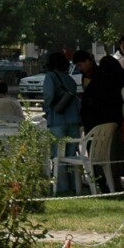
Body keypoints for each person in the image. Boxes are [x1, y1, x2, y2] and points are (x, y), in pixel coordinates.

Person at [72, 49, 124, 190]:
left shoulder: (99, 80)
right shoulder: (116, 79)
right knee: (111, 153)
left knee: (97, 154)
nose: (80, 68)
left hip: (95, 124)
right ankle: (111, 182)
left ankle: (100, 182)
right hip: (113, 122)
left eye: (80, 64)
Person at [42, 51, 82, 194]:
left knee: (58, 156)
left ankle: (61, 187)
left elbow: (48, 96)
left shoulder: (50, 77)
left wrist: (46, 109)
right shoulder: (70, 79)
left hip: (57, 120)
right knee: (71, 156)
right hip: (73, 120)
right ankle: (73, 185)